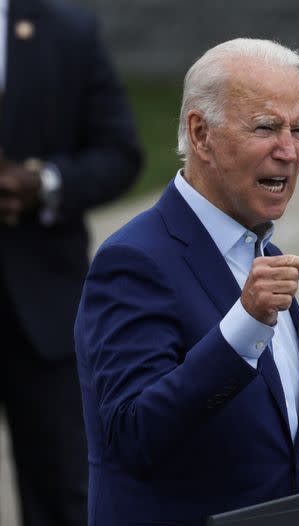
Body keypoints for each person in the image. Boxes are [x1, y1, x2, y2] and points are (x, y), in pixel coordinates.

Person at [74, 38, 299, 525]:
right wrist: (244, 325)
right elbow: (132, 435)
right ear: (201, 133)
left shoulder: (262, 256)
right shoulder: (134, 259)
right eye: (267, 127)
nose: (289, 151)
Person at [0, 0, 142, 524]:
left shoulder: (68, 31)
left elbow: (120, 151)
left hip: (41, 303)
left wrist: (46, 183)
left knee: (63, 491)